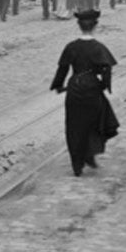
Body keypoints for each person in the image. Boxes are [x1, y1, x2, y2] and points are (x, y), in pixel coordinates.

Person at [49, 10, 119, 177]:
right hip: (92, 87)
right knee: (95, 122)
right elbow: (107, 68)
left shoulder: (71, 47)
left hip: (74, 88)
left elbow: (63, 68)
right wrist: (104, 86)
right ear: (96, 25)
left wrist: (58, 86)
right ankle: (90, 154)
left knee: (74, 125)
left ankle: (77, 163)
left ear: (79, 26)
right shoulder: (98, 47)